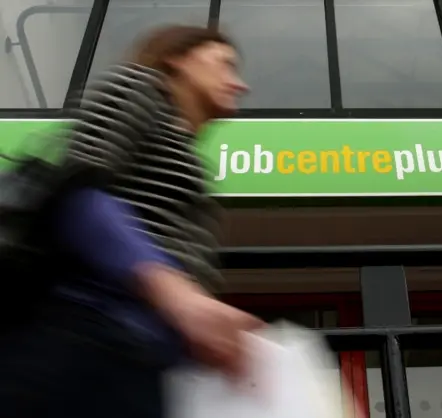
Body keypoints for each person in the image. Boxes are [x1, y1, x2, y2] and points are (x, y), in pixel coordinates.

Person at [0, 25, 261, 418]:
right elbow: (78, 191)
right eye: (225, 64)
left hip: (138, 357)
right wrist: (175, 293)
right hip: (84, 333)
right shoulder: (138, 88)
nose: (239, 84)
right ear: (179, 58)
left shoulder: (186, 155)